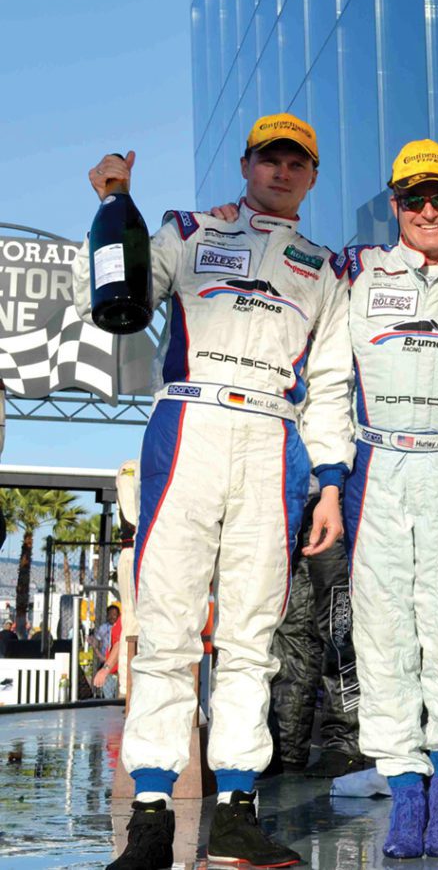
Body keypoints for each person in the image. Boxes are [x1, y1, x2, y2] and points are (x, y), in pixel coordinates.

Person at [73, 112, 354, 870]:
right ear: (247, 163)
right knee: (165, 625)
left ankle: (235, 809)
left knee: (252, 635)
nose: (282, 170)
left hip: (273, 431)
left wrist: (330, 483)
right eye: (270, 158)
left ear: (312, 175)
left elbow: (329, 385)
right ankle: (154, 816)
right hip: (189, 419)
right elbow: (114, 292)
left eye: (297, 161)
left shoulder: (323, 268)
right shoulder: (190, 229)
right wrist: (112, 200)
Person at [212, 138, 438, 860]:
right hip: (377, 471)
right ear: (394, 206)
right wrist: (331, 485)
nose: (428, 211)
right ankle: (406, 789)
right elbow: (328, 378)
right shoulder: (355, 271)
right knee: (381, 638)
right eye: (413, 199)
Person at [268, 476, 364, 778]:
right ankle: (287, 748)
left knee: (340, 632)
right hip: (295, 508)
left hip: (341, 501)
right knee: (290, 633)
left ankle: (347, 744)